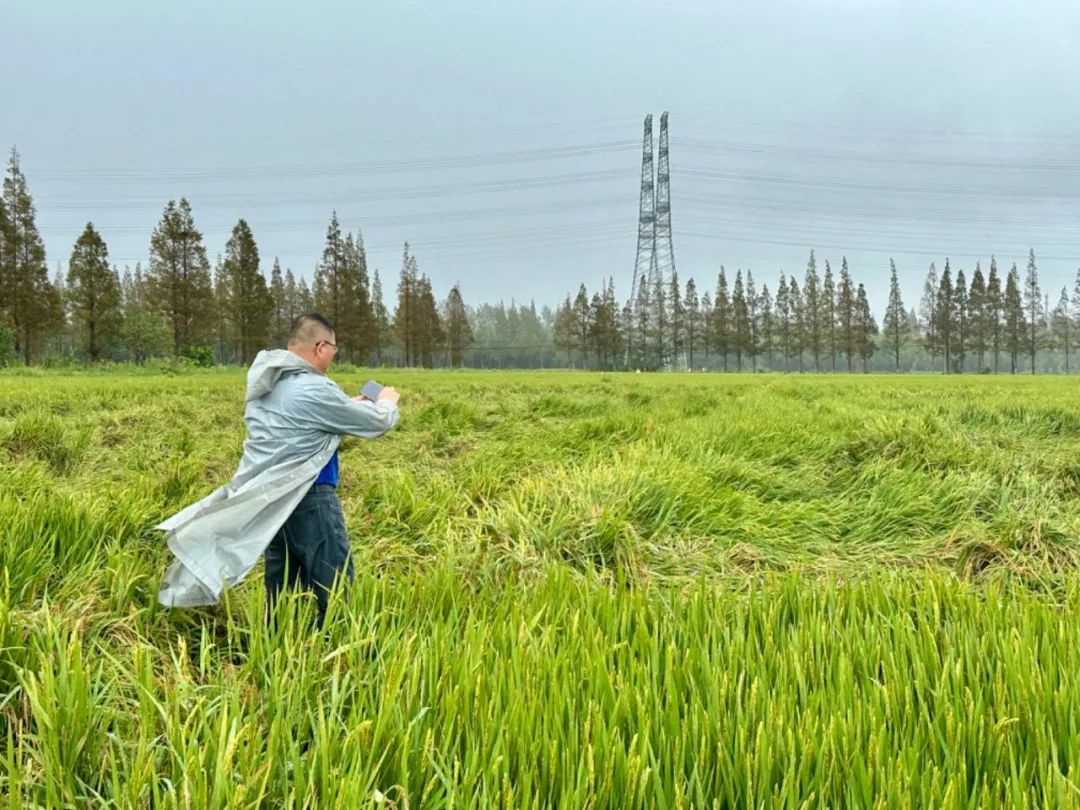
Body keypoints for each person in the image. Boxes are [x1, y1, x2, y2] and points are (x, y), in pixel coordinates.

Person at [157, 313, 399, 628]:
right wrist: (386, 401)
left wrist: (348, 404)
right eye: (333, 349)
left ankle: (279, 646)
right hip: (311, 500)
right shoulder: (315, 388)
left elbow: (309, 416)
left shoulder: (269, 384)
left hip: (273, 502)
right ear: (321, 347)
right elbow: (379, 422)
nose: (333, 355)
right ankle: (339, 647)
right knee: (335, 586)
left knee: (282, 588)